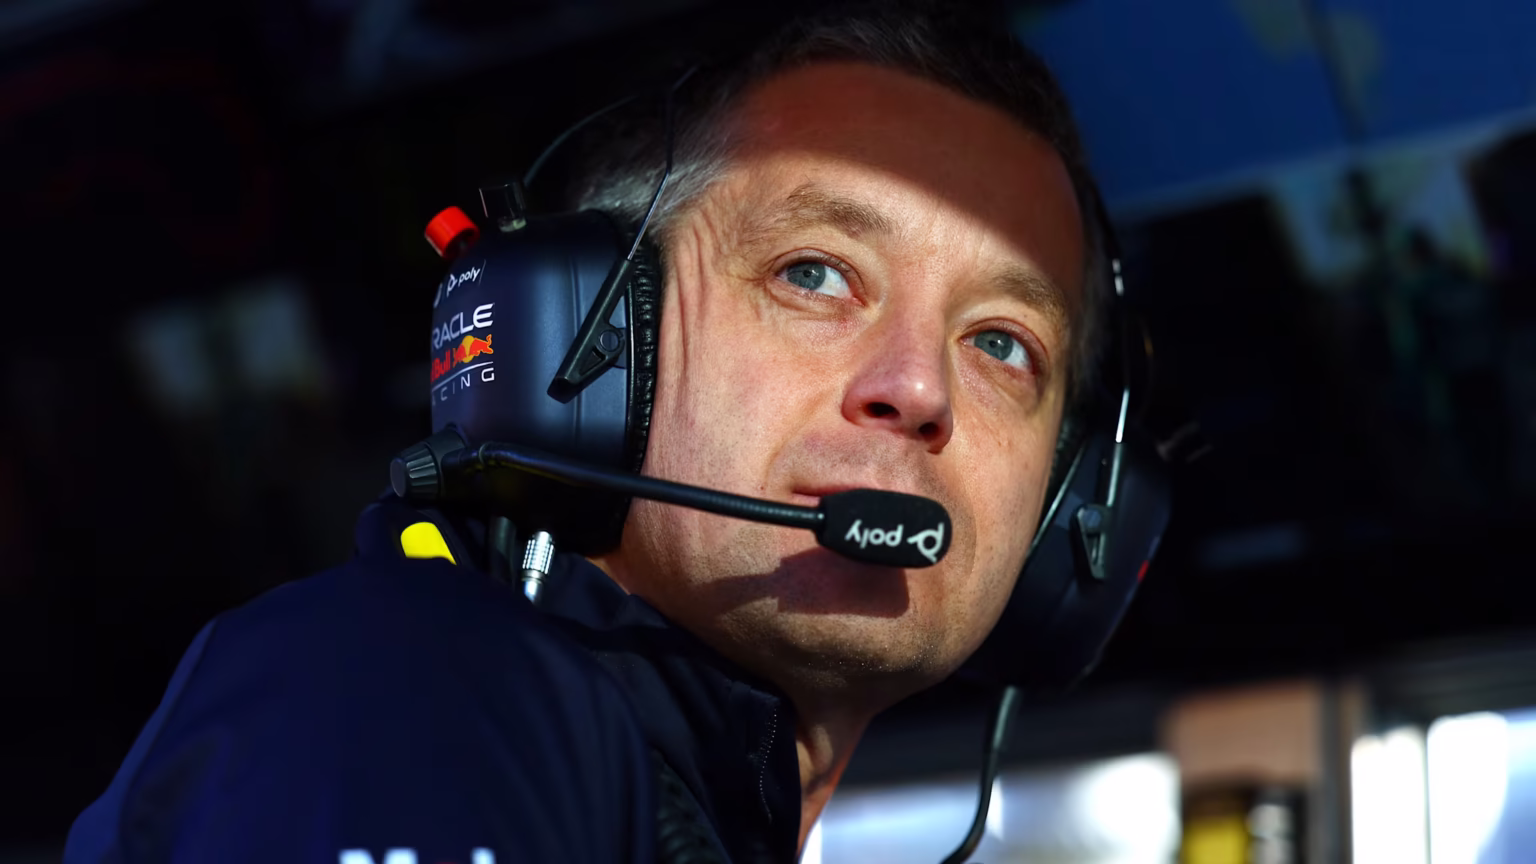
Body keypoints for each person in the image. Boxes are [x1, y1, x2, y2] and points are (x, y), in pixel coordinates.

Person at [64, 3, 1119, 862]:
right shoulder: (417, 686)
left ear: (1064, 504)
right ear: (586, 346)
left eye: (1002, 343)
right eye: (814, 274)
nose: (919, 388)